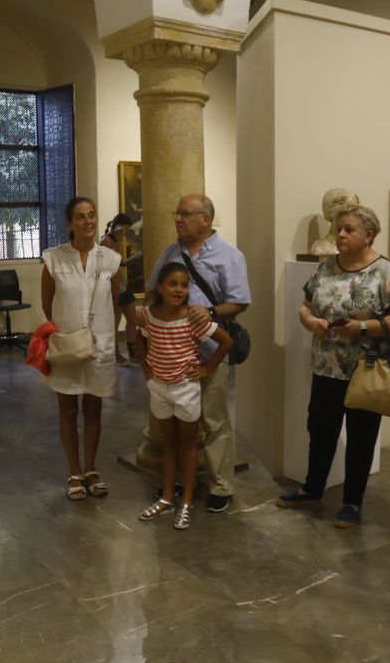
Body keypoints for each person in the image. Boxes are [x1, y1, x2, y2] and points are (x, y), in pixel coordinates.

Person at [278, 205, 390, 527]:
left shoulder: (386, 273)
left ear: (369, 235)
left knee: (361, 436)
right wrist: (312, 322)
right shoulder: (326, 267)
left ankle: (352, 501)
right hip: (326, 367)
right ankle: (313, 488)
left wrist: (363, 328)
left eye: (349, 229)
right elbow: (305, 306)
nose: (341, 234)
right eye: (340, 228)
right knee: (321, 430)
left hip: (365, 370)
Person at [125, 194, 250, 513]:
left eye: (185, 214)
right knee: (179, 425)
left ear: (205, 219)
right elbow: (154, 290)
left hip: (209, 351)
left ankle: (221, 485)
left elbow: (240, 301)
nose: (178, 219)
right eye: (177, 213)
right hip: (172, 359)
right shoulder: (171, 251)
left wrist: (209, 311)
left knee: (214, 420)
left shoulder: (229, 256)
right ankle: (181, 480)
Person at [135, 263, 232, 530]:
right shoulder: (149, 314)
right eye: (172, 284)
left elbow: (226, 342)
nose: (178, 289)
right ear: (160, 287)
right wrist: (145, 363)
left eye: (183, 285)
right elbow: (141, 336)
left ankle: (187, 501)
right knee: (168, 443)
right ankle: (167, 497)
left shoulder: (193, 318)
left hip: (186, 388)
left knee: (188, 445)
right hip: (159, 387)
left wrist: (207, 367)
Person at [40, 197, 124, 500]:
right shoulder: (53, 259)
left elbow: (115, 302)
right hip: (67, 344)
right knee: (67, 409)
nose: (88, 221)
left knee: (93, 408)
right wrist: (66, 331)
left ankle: (90, 469)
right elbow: (47, 304)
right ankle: (73, 471)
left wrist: (108, 335)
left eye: (91, 215)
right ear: (69, 223)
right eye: (80, 217)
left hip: (99, 345)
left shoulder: (111, 260)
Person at [99, 213, 137, 365]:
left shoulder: (119, 240)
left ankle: (132, 351)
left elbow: (121, 263)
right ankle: (116, 354)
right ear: (118, 227)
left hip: (122, 285)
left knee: (132, 318)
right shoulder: (106, 242)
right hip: (112, 288)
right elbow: (115, 265)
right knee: (114, 322)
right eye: (125, 230)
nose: (126, 233)